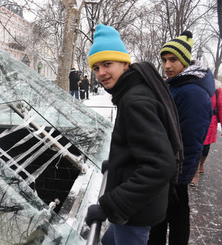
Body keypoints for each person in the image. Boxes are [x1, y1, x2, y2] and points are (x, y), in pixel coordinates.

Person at [84, 24, 183, 245]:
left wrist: (109, 206)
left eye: (107, 64)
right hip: (139, 206)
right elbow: (140, 146)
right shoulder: (133, 91)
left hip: (135, 212)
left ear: (125, 63)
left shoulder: (134, 100)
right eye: (96, 67)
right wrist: (117, 163)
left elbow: (160, 165)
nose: (101, 73)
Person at [148, 31, 214, 245]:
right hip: (168, 167)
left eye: (173, 60)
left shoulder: (191, 92)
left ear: (185, 61)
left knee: (176, 220)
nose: (167, 65)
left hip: (175, 171)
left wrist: (180, 177)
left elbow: (192, 140)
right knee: (164, 217)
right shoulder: (177, 85)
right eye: (164, 60)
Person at [191, 79, 222, 186]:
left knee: (205, 148)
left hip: (210, 122)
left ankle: (201, 164)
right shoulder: (196, 88)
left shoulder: (217, 90)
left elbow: (221, 108)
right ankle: (196, 173)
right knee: (197, 147)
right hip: (196, 120)